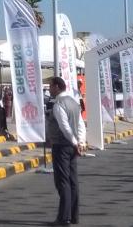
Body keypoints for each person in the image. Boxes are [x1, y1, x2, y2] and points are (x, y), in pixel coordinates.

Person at [48, 76, 85, 226]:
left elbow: (64, 127)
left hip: (62, 145)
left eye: (50, 86)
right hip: (72, 146)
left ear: (57, 87)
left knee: (62, 181)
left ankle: (64, 218)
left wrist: (75, 142)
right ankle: (73, 216)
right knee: (72, 181)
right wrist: (80, 142)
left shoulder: (59, 104)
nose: (49, 89)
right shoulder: (73, 102)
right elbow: (81, 124)